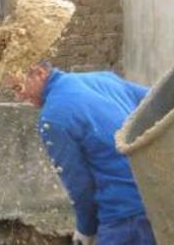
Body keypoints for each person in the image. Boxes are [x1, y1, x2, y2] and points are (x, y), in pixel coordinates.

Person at [10, 62, 155, 245]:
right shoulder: (104, 78)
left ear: (39, 73)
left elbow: (80, 185)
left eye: (18, 87)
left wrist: (85, 229)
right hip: (157, 197)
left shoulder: (54, 117)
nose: (19, 96)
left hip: (124, 215)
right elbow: (156, 99)